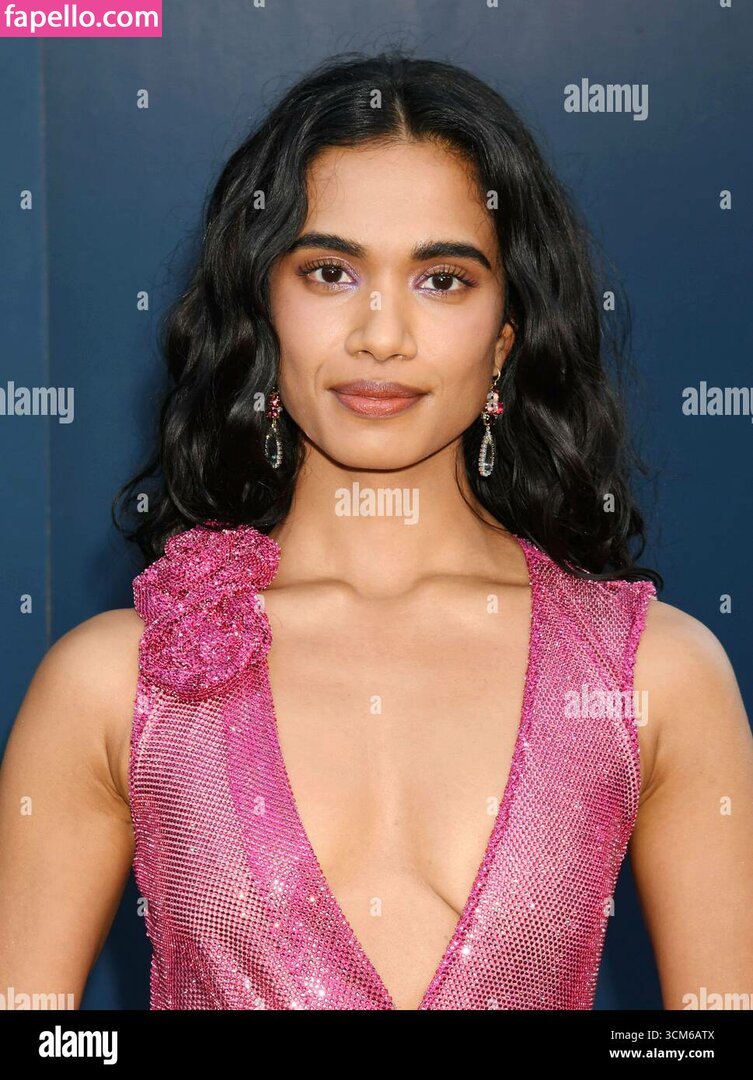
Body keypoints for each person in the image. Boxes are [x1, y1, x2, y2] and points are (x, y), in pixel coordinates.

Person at [1, 49, 752, 1012]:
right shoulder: (110, 684)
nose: (381, 335)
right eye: (328, 272)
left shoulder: (653, 677)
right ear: (262, 309)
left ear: (505, 338)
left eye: (442, 279)